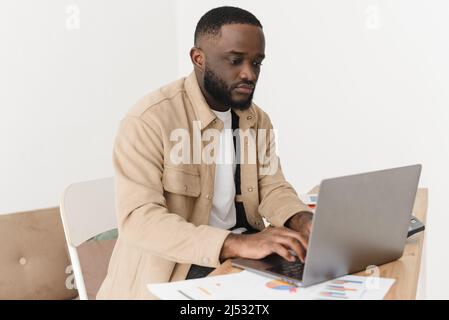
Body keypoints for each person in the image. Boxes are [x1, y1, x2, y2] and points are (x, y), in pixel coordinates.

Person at [97, 6, 313, 300]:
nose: (249, 73)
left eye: (257, 62)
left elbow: (272, 186)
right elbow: (140, 221)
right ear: (198, 58)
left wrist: (302, 221)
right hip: (173, 270)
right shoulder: (149, 120)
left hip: (240, 254)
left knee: (316, 278)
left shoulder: (256, 119)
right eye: (235, 60)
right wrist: (235, 244)